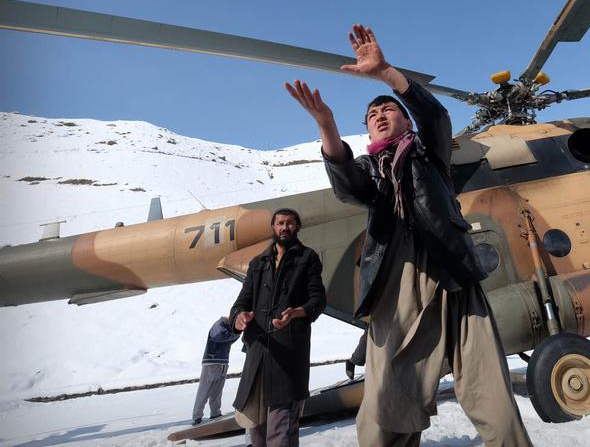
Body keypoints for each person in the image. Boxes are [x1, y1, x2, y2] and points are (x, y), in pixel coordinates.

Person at [286, 24, 532, 447]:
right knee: (386, 400)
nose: (380, 115)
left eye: (388, 110)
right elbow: (347, 186)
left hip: (452, 274)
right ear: (367, 133)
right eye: (372, 115)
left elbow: (436, 117)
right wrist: (326, 126)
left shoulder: (430, 155)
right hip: (394, 287)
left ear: (404, 119)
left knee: (487, 387)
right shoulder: (368, 170)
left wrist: (386, 74)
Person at [230, 208, 326, 447]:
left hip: (288, 354)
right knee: (258, 430)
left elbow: (318, 299)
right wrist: (239, 318)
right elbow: (242, 301)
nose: (285, 227)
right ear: (273, 227)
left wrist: (297, 312)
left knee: (281, 430)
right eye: (280, 223)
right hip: (259, 353)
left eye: (290, 223)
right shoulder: (258, 262)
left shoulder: (308, 258)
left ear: (298, 227)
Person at [192, 316, 241, 425]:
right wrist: (236, 334)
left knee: (217, 390)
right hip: (212, 362)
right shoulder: (219, 324)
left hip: (222, 362)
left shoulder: (228, 328)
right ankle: (197, 416)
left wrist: (237, 333)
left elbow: (230, 339)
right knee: (205, 390)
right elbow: (219, 336)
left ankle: (215, 412)